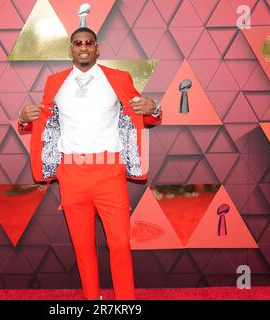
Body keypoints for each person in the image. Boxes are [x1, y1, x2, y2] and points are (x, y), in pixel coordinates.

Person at [18, 27, 162, 300]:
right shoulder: (54, 83)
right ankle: (92, 300)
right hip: (72, 174)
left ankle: (125, 303)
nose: (83, 47)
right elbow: (41, 123)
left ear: (97, 48)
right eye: (77, 43)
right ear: (70, 49)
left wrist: (154, 107)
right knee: (82, 247)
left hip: (110, 172)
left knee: (119, 244)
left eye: (89, 42)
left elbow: (144, 115)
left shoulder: (118, 78)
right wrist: (25, 118)